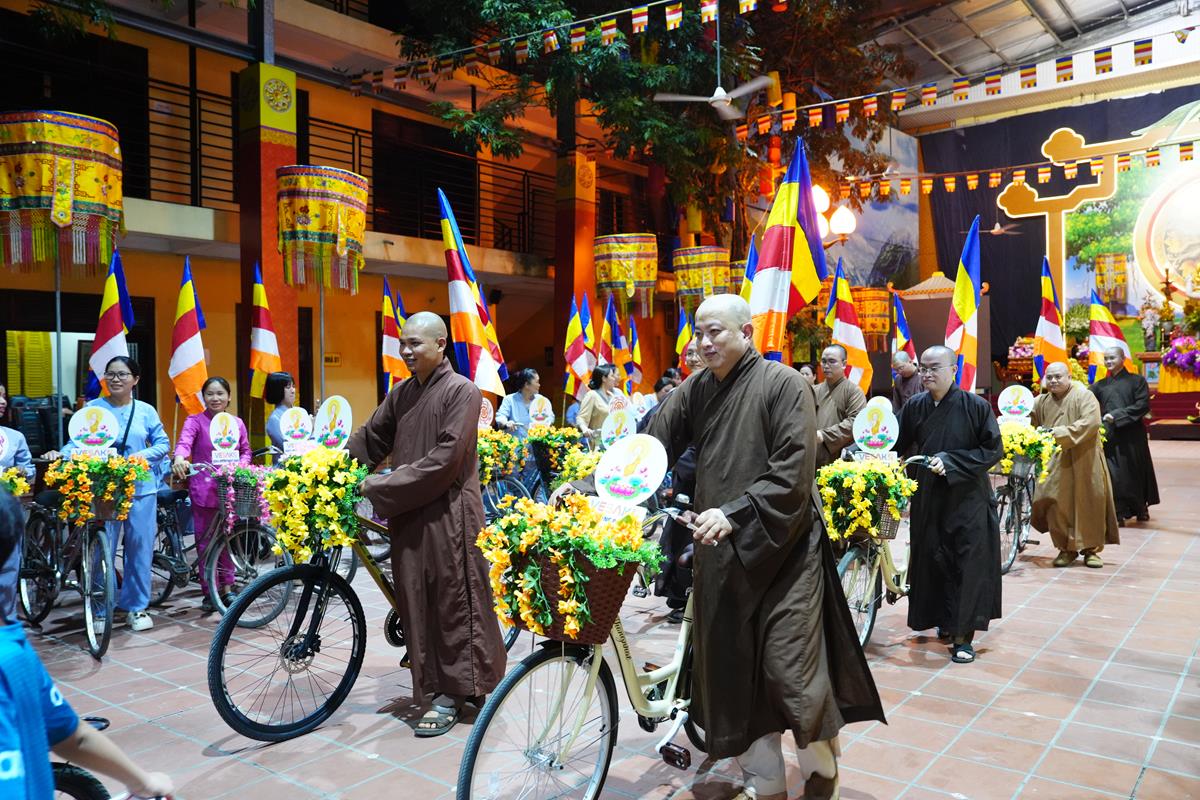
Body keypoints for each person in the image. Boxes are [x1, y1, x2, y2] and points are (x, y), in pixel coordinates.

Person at [645, 295, 884, 800]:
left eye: (715, 331)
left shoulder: (784, 384)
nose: (704, 343)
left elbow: (793, 470)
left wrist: (733, 513)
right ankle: (766, 778)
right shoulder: (695, 389)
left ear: (747, 332)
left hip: (785, 548)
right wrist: (598, 484)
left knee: (789, 668)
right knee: (731, 670)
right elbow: (652, 444)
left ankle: (820, 764)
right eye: (698, 333)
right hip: (721, 552)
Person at [347, 312, 505, 737]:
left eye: (415, 343)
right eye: (403, 343)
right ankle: (437, 683)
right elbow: (372, 438)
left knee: (452, 602)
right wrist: (333, 469)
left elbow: (445, 460)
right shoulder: (402, 393)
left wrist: (378, 485)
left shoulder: (462, 391)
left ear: (440, 344)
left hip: (448, 516)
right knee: (416, 599)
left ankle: (455, 692)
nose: (406, 351)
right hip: (410, 511)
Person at [0, 488, 175, 800]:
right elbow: (73, 738)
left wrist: (143, 782)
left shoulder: (15, 651)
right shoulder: (13, 656)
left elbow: (72, 735)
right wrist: (144, 782)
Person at [895, 345, 1003, 664]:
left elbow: (992, 450)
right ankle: (944, 620)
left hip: (967, 499)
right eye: (923, 368)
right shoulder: (916, 405)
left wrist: (952, 462)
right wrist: (865, 448)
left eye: (934, 368)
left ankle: (962, 637)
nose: (927, 374)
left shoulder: (975, 406)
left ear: (953, 370)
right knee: (932, 560)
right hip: (929, 497)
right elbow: (895, 440)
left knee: (965, 564)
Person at [45, 357, 169, 633]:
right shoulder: (92, 409)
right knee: (101, 549)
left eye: (122, 374)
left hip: (141, 488)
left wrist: (140, 457)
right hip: (103, 489)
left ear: (135, 380)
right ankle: (101, 609)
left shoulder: (146, 411)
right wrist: (60, 454)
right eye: (110, 374)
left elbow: (162, 444)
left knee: (139, 549)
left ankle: (137, 607)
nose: (115, 379)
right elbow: (76, 443)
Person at [172, 376, 252, 612]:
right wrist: (180, 458)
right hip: (204, 490)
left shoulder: (237, 423)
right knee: (206, 542)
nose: (215, 398)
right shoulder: (195, 421)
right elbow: (184, 444)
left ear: (228, 397)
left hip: (228, 489)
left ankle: (227, 588)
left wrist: (240, 467)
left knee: (227, 538)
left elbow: (245, 451)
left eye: (220, 393)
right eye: (210, 394)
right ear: (203, 397)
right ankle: (209, 591)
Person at [1031, 362, 1120, 568]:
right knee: (1054, 502)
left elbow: (1091, 423)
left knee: (1090, 501)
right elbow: (1029, 420)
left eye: (1058, 377)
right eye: (1049, 377)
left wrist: (1057, 433)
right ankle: (1066, 549)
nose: (1053, 381)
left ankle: (1091, 551)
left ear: (1069, 377)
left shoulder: (1084, 396)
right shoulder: (1041, 401)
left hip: (1085, 458)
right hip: (1056, 459)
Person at [1089, 347, 1159, 523]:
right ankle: (1118, 511)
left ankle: (1140, 507)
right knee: (1115, 474)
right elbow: (1086, 400)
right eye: (1106, 358)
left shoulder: (1137, 381)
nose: (1108, 361)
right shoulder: (1100, 385)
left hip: (1132, 434)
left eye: (1112, 358)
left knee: (1135, 470)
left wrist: (1116, 415)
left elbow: (1143, 405)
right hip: (1110, 434)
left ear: (1122, 358)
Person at [0, 395, 34, 621]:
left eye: (3, 396)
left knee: (9, 566)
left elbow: (28, 468)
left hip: (7, 512)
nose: (2, 401)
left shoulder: (14, 437)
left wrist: (23, 472)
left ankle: (6, 618)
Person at [814, 345, 867, 467]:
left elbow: (856, 422)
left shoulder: (853, 391)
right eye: (823, 361)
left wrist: (824, 435)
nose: (826, 366)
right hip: (815, 454)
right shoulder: (814, 390)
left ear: (844, 364)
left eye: (832, 361)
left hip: (842, 459)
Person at [497, 368, 553, 435]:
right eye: (537, 382)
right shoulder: (509, 399)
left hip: (536, 441)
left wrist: (545, 422)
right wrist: (506, 423)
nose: (539, 385)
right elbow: (501, 416)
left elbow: (550, 417)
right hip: (516, 441)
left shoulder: (541, 400)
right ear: (527, 385)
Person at [576, 364, 622, 442]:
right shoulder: (592, 395)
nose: (614, 379)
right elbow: (581, 418)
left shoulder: (612, 396)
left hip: (613, 441)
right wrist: (585, 429)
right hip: (597, 442)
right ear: (604, 378)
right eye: (612, 376)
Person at [263, 371, 298, 451]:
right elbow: (287, 446)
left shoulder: (298, 413)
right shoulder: (274, 419)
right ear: (278, 390)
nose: (293, 391)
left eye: (293, 386)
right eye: (288, 387)